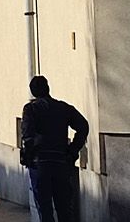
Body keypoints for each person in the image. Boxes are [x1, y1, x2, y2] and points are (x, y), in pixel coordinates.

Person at [19, 75, 89, 222]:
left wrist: (28, 156)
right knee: (64, 209)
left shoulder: (31, 109)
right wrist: (72, 150)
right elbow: (83, 126)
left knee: (45, 210)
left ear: (33, 92)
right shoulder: (63, 108)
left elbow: (28, 136)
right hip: (61, 162)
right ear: (48, 89)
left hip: (40, 164)